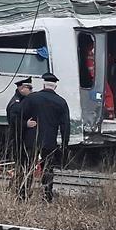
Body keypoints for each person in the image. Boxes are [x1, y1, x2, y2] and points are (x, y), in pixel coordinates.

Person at [18, 72, 71, 202]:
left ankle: (23, 194)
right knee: (48, 168)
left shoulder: (32, 98)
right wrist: (65, 143)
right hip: (49, 141)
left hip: (31, 140)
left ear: (43, 84)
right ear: (55, 87)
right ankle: (47, 195)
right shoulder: (61, 102)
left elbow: (19, 116)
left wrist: (25, 126)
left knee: (28, 167)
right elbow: (66, 125)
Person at [5, 78, 33, 178]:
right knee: (22, 163)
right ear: (22, 88)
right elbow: (14, 121)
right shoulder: (16, 103)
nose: (31, 91)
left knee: (25, 164)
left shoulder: (22, 100)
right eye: (29, 89)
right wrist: (26, 124)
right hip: (19, 137)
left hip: (23, 136)